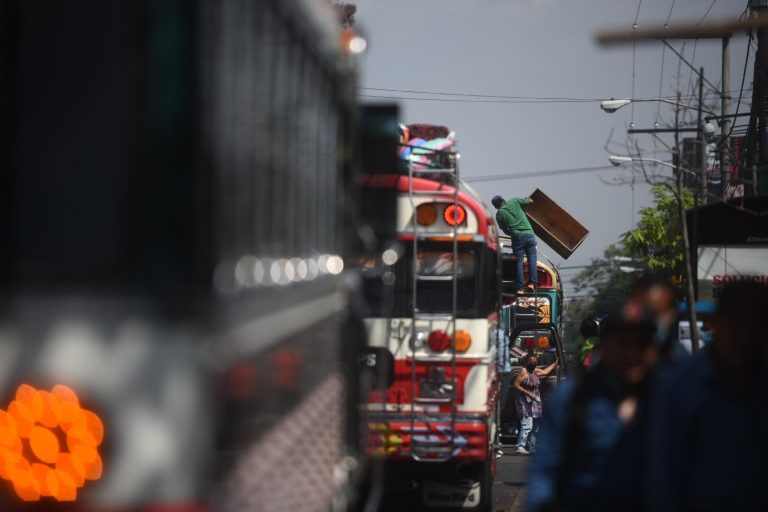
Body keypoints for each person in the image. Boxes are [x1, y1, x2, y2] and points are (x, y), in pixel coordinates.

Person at [526, 301, 659, 512]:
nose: (632, 354)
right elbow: (544, 474)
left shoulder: (672, 400)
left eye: (641, 344)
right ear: (603, 345)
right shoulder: (571, 398)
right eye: (623, 344)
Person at [647, 281, 768, 512]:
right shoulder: (678, 388)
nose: (746, 337)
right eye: (738, 324)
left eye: (759, 326)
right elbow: (664, 477)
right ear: (716, 325)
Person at [513, 352, 558, 455]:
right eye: (531, 361)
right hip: (524, 401)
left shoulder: (535, 371)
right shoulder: (523, 371)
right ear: (526, 362)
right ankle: (520, 446)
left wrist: (554, 364)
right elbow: (516, 385)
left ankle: (532, 447)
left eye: (535, 361)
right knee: (527, 425)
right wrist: (527, 392)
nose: (533, 363)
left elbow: (545, 372)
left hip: (535, 401)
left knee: (535, 427)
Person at [492, 195, 537, 293]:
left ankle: (520, 288)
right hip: (529, 234)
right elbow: (530, 201)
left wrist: (513, 233)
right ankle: (533, 284)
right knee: (532, 259)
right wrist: (527, 198)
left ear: (496, 206)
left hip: (517, 237)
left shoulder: (499, 214)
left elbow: (505, 230)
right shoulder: (515, 201)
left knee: (519, 262)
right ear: (504, 199)